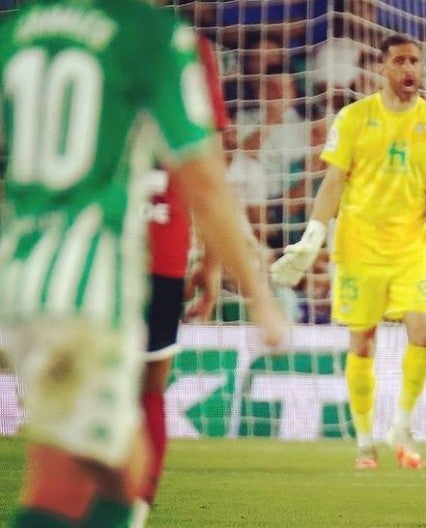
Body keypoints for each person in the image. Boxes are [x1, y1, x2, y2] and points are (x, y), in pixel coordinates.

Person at [0, 2, 286, 527]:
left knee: (125, 467)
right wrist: (258, 293)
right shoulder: (154, 36)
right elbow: (203, 176)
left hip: (18, 275)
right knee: (58, 482)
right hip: (87, 282)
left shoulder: (18, 30)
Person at [271, 33, 426, 470]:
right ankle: (364, 441)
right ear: (382, 68)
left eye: (416, 61)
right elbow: (332, 183)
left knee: (424, 332)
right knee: (362, 343)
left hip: (411, 248)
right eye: (401, 61)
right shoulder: (354, 118)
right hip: (358, 249)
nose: (410, 69)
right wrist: (314, 234)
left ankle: (402, 426)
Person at [131, 32, 230, 528]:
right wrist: (211, 262)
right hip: (158, 249)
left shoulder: (46, 34)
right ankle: (136, 506)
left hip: (82, 245)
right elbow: (207, 166)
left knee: (87, 387)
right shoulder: (184, 49)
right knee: (149, 384)